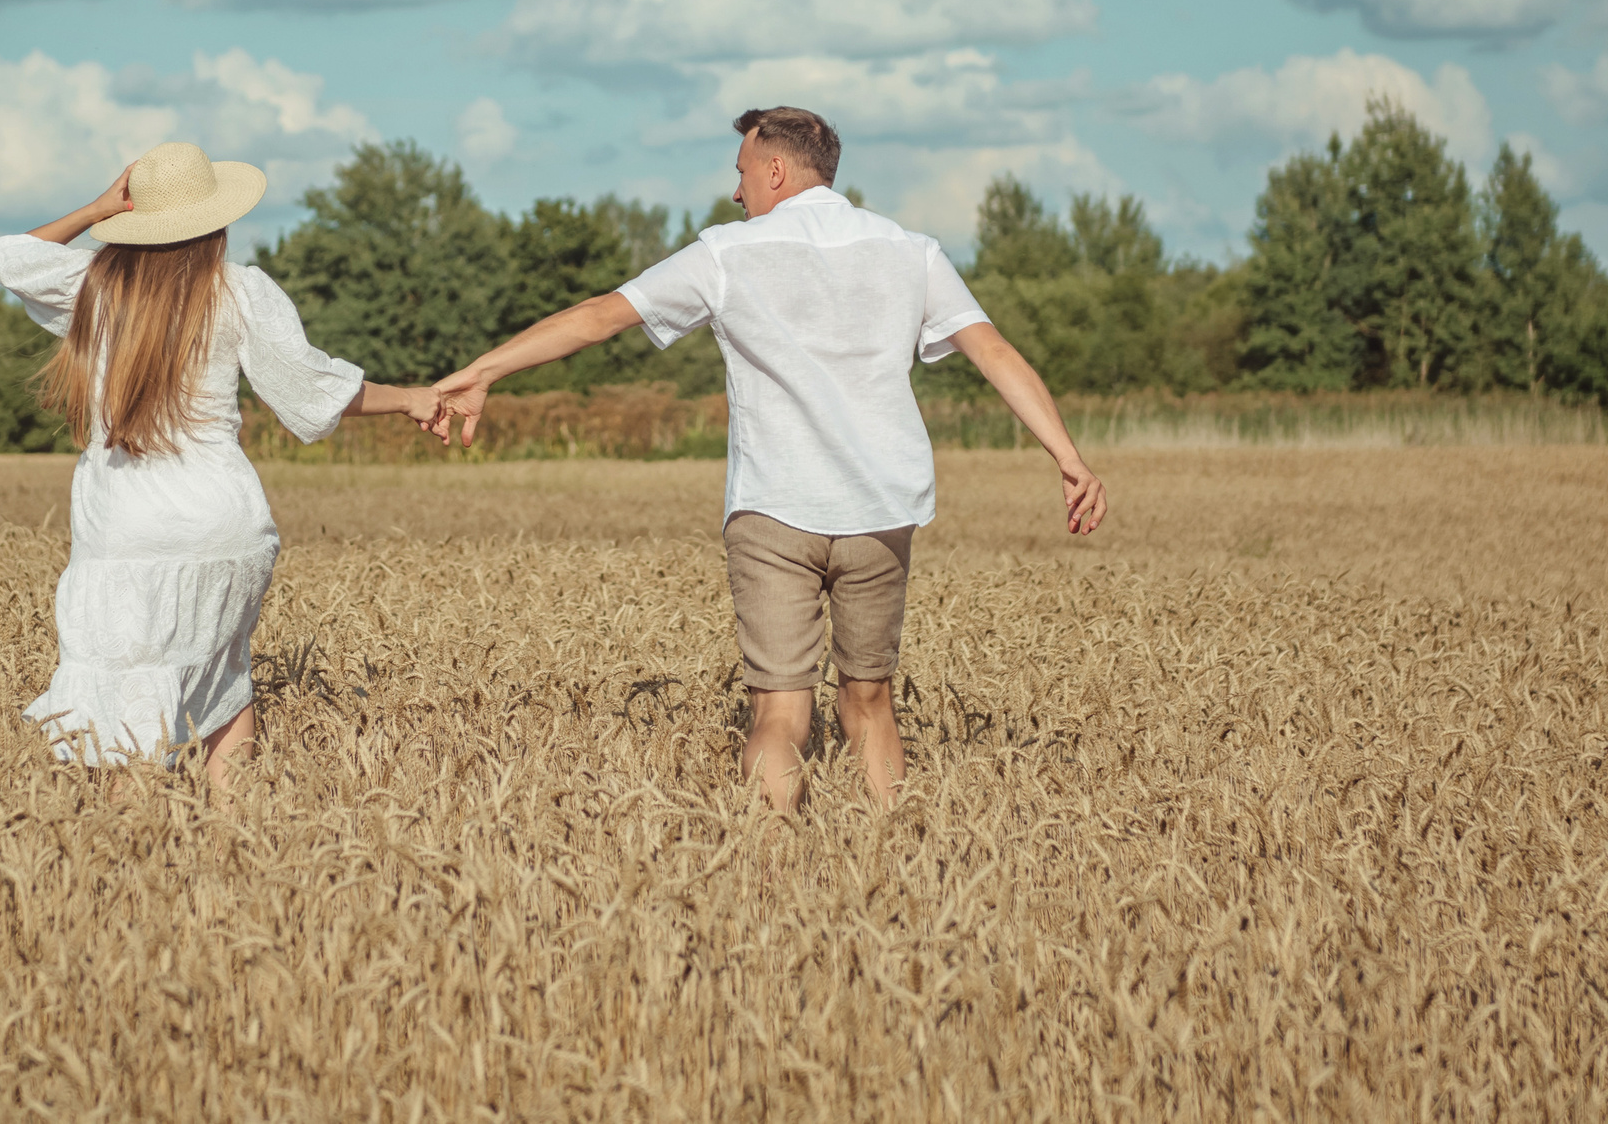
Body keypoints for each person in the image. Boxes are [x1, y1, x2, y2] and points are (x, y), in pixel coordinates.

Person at [426, 106, 1107, 811]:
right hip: (881, 514)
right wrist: (1069, 457)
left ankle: (770, 861)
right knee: (871, 701)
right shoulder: (911, 250)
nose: (736, 190)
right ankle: (894, 848)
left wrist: (483, 371)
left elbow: (599, 316)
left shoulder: (727, 252)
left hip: (774, 511)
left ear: (775, 169)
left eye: (742, 171)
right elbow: (993, 351)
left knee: (779, 715)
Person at [0, 141, 437, 792]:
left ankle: (135, 842)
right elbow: (314, 393)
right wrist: (412, 398)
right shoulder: (240, 291)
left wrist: (97, 208)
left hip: (128, 527)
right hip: (226, 522)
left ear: (136, 220)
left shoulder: (97, 288)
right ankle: (236, 836)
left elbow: (6, 256)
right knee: (227, 675)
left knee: (124, 703)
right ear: (217, 220)